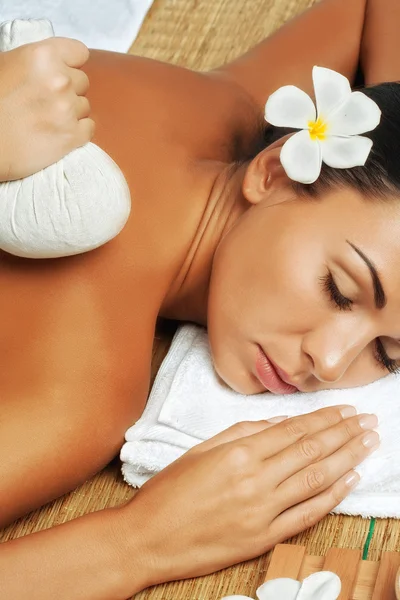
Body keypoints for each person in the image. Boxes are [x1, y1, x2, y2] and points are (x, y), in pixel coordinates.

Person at [0, 0, 396, 596]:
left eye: (389, 354)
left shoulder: (222, 105)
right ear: (275, 173)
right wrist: (138, 543)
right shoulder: (79, 394)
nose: (333, 362)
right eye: (339, 290)